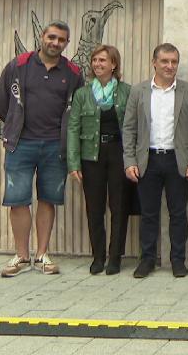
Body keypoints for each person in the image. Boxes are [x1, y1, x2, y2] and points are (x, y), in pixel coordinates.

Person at [0, 21, 84, 277]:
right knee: (18, 200)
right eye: (51, 37)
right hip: (20, 145)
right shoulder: (18, 65)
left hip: (55, 145)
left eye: (61, 40)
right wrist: (13, 126)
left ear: (66, 44)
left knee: (47, 199)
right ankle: (21, 256)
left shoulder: (74, 72)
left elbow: (77, 110)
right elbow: (1, 102)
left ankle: (42, 255)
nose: (55, 43)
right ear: (42, 37)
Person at [122, 43, 188, 278]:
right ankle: (147, 259)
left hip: (177, 160)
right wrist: (129, 161)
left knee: (178, 213)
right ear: (154, 62)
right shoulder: (139, 92)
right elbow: (129, 129)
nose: (170, 66)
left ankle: (177, 260)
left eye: (174, 62)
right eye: (165, 61)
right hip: (147, 159)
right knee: (148, 214)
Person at [67, 45, 135, 275]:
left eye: (103, 60)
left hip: (119, 153)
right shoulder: (82, 94)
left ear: (114, 64)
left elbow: (135, 127)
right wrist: (74, 163)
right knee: (94, 208)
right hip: (91, 155)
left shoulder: (127, 92)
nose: (97, 64)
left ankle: (115, 257)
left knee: (119, 206)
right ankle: (98, 256)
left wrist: (133, 159)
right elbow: (73, 129)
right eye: (95, 60)